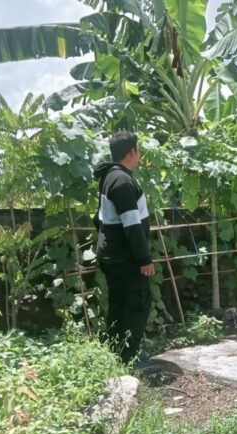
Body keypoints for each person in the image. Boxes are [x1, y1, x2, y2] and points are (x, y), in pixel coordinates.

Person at [93, 131, 157, 367]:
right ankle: (130, 359)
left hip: (112, 255)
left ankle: (116, 355)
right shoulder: (122, 181)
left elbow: (98, 219)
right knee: (137, 305)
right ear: (132, 152)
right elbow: (132, 225)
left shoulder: (109, 177)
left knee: (119, 305)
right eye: (138, 150)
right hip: (126, 258)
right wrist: (144, 259)